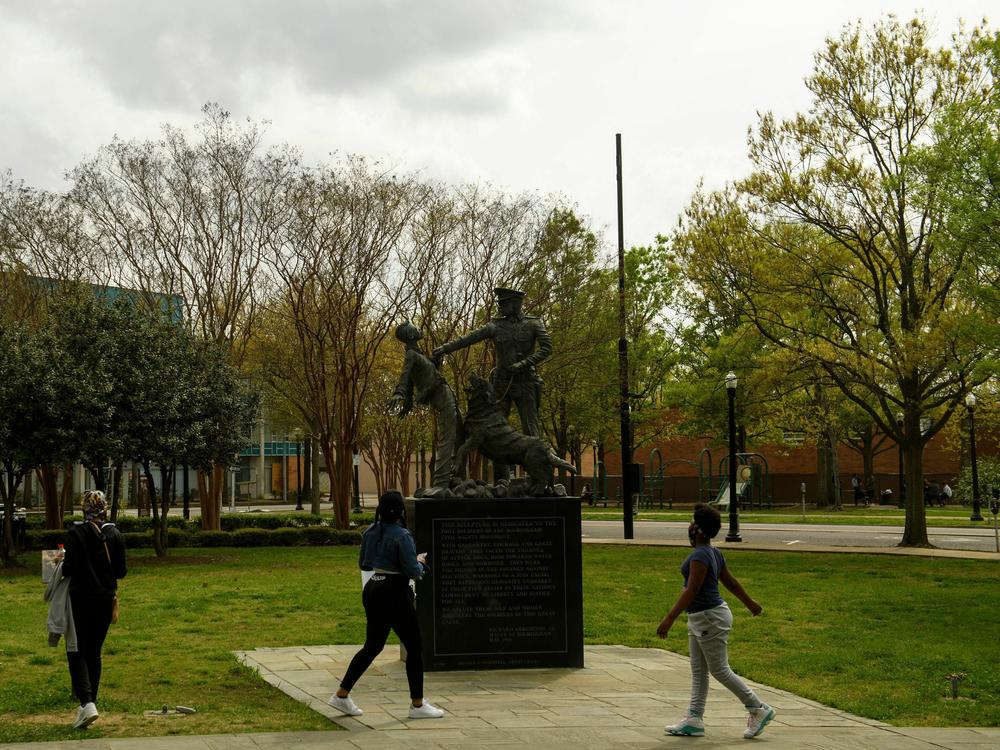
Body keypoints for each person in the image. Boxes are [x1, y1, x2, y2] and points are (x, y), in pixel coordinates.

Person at [657, 504, 775, 740]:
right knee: (699, 670)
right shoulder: (714, 553)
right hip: (703, 617)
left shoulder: (700, 555)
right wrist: (750, 603)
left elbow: (692, 589)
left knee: (719, 669)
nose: (689, 527)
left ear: (698, 530)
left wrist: (669, 618)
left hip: (708, 617)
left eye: (691, 522)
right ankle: (694, 719)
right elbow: (730, 583)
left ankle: (758, 708)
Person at [328, 491, 444, 720]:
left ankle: (341, 695)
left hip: (373, 588)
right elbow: (413, 571)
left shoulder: (370, 532)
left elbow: (364, 564)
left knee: (372, 646)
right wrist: (420, 563)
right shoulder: (402, 535)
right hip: (395, 591)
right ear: (401, 511)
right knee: (414, 647)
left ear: (380, 509)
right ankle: (417, 705)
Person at [432, 287, 552, 483]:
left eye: (504, 303)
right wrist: (445, 348)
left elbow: (547, 348)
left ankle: (537, 479)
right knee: (495, 433)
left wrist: (524, 363)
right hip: (500, 386)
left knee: (531, 428)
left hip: (525, 383)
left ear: (515, 303)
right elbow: (469, 338)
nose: (501, 307)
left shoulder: (534, 324)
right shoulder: (496, 326)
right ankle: (501, 481)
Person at [60, 490, 127, 730]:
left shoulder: (75, 533)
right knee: (94, 652)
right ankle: (91, 703)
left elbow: (69, 567)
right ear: (105, 509)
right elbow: (121, 571)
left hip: (80, 600)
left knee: (76, 650)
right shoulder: (115, 534)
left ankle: (86, 703)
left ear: (83, 510)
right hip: (105, 600)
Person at [389, 320, 462, 488]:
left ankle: (453, 478)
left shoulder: (418, 354)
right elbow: (405, 377)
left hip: (444, 394)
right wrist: (399, 393)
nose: (418, 328)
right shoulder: (411, 355)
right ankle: (442, 482)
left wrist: (435, 361)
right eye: (414, 327)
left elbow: (416, 378)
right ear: (410, 335)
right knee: (448, 438)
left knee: (459, 435)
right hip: (441, 396)